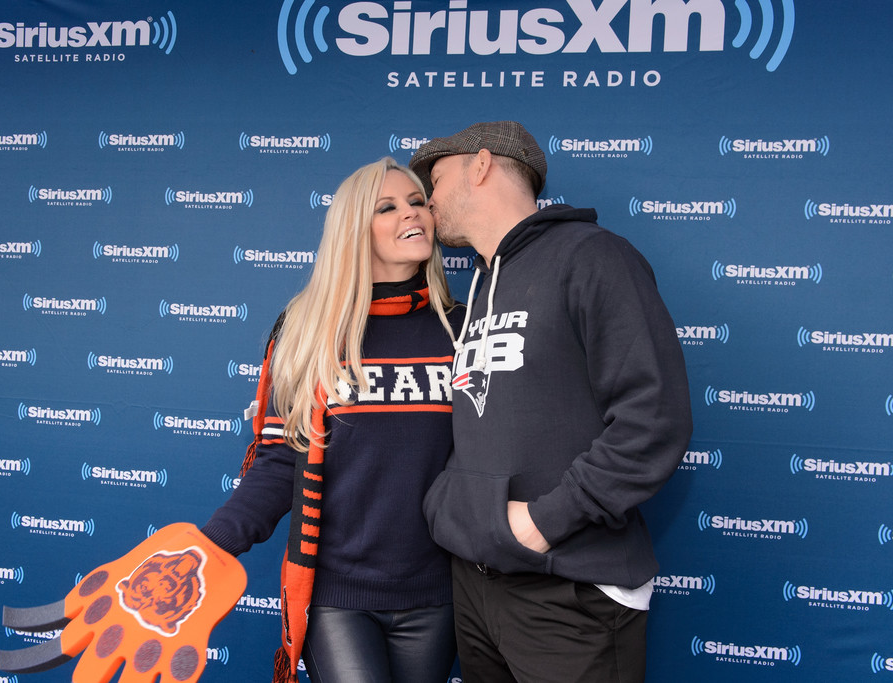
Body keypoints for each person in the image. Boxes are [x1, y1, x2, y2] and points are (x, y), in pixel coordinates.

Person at [409, 121, 693, 683]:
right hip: (478, 586)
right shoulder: (481, 289)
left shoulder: (593, 257)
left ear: (481, 165)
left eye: (435, 181)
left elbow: (653, 419)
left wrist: (546, 521)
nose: (428, 202)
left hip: (570, 589)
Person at [201, 157, 462, 683]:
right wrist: (207, 547)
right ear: (352, 230)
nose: (411, 215)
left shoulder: (463, 330)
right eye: (386, 207)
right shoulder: (308, 331)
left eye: (417, 202)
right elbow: (279, 463)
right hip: (338, 595)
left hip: (439, 593)